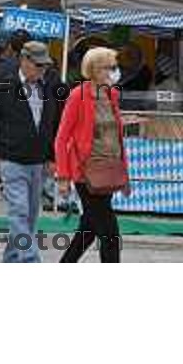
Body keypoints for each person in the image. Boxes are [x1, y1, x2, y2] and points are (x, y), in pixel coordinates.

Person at [0, 42, 61, 263]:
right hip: (11, 159)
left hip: (37, 161)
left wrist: (52, 157)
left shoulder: (49, 86)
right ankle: (30, 259)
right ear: (24, 60)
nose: (41, 70)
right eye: (38, 65)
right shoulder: (5, 85)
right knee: (19, 211)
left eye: (44, 65)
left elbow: (52, 124)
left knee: (29, 216)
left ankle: (11, 259)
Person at [55, 47, 130, 263]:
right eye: (111, 67)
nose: (116, 72)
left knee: (88, 229)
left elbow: (116, 135)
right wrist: (63, 176)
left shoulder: (111, 94)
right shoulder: (78, 95)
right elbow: (62, 138)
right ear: (96, 70)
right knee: (110, 234)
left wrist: (124, 173)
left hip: (108, 170)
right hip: (85, 173)